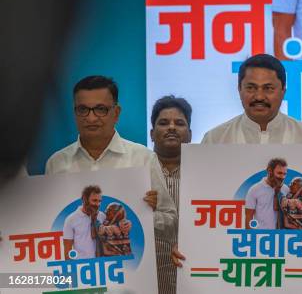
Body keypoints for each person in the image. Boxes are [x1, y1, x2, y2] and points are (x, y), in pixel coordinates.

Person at [201, 54, 302, 222]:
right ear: (239, 89)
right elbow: (197, 196)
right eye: (251, 88)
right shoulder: (215, 139)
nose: (259, 96)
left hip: (294, 244)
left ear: (283, 91)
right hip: (229, 242)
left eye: (268, 88)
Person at [45, 76, 177, 243]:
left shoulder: (143, 158)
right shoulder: (56, 163)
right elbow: (48, 224)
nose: (91, 118)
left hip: (130, 261)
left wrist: (147, 215)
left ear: (116, 113)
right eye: (83, 109)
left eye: (100, 109)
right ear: (75, 113)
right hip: (77, 263)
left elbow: (171, 221)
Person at [150, 95, 193, 294]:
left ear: (190, 134)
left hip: (194, 283)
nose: (172, 128)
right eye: (164, 123)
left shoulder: (206, 175)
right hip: (145, 282)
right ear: (152, 133)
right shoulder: (134, 172)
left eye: (180, 123)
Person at [63, 185, 106, 259]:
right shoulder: (71, 219)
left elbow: (115, 231)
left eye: (99, 201)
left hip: (102, 264)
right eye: (94, 200)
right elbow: (67, 251)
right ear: (85, 199)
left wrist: (127, 224)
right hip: (82, 266)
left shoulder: (102, 216)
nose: (98, 204)